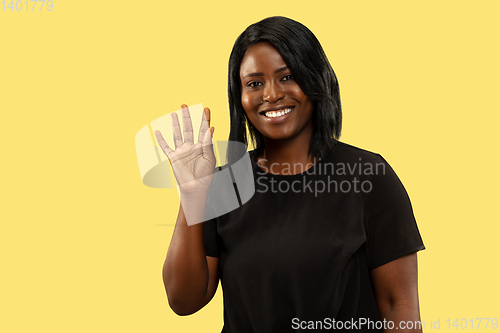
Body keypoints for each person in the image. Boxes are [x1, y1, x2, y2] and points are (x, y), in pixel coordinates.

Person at [155, 16, 425, 332]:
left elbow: (399, 306)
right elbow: (184, 301)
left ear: (316, 80)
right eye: (254, 83)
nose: (271, 94)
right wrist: (191, 194)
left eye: (288, 77)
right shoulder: (223, 184)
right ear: (239, 97)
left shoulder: (369, 175)